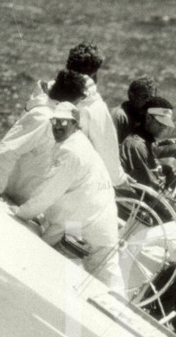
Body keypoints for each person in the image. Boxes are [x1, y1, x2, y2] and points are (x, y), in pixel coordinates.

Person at [13, 102, 120, 288]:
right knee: (54, 265)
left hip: (90, 227)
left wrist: (21, 213)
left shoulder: (71, 151)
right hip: (81, 222)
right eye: (55, 121)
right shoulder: (75, 143)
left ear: (75, 124)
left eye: (64, 122)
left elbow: (48, 193)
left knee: (106, 285)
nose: (58, 126)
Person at [0, 70, 86, 206]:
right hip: (12, 198)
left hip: (30, 201)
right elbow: (8, 151)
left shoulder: (54, 115)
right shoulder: (43, 118)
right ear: (74, 99)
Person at [65, 42, 125, 187]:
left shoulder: (48, 91)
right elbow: (107, 152)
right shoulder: (95, 106)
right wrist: (120, 180)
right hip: (73, 182)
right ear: (94, 74)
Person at [118, 96, 176, 191]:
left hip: (137, 187)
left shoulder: (142, 140)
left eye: (166, 124)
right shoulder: (137, 145)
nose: (164, 127)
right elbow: (150, 186)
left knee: (170, 166)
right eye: (160, 123)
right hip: (130, 196)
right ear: (148, 118)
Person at [111, 76, 158, 144]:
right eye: (144, 97)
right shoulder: (118, 116)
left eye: (151, 98)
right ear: (132, 96)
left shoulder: (144, 117)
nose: (148, 101)